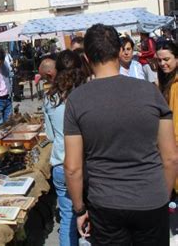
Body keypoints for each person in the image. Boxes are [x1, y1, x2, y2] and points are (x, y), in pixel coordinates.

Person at [64, 24, 178, 245]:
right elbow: (171, 156)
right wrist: (161, 197)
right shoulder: (150, 92)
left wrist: (79, 209)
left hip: (105, 204)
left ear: (87, 58)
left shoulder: (77, 100)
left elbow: (73, 167)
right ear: (118, 51)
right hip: (151, 198)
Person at [43, 50, 86, 246]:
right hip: (84, 162)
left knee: (68, 216)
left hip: (60, 162)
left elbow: (50, 135)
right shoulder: (85, 93)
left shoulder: (49, 97)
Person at [156, 40, 178, 150]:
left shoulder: (176, 84)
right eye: (159, 60)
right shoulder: (164, 80)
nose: (162, 64)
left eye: (166, 59)